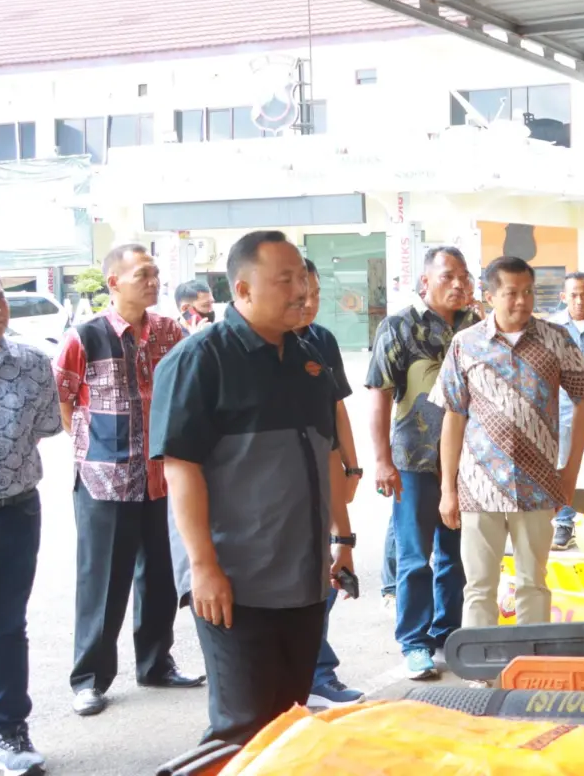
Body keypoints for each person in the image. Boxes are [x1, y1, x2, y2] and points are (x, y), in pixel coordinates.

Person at [149, 231, 356, 747]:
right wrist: (203, 567)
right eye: (284, 280)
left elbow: (326, 453)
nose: (301, 290)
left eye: (303, 278)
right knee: (241, 726)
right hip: (235, 583)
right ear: (241, 290)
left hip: (304, 578)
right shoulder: (200, 360)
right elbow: (181, 469)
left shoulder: (310, 358)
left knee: (287, 719)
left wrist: (342, 541)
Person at [53, 243, 203, 719]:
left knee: (159, 578)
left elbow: (185, 389)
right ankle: (89, 679)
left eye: (156, 274)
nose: (153, 281)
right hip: (105, 480)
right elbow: (64, 402)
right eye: (142, 274)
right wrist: (92, 449)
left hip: (161, 475)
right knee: (103, 583)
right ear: (114, 281)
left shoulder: (169, 331)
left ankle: (156, 663)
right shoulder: (85, 336)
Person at [434, 257, 584, 628]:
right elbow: (453, 417)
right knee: (478, 587)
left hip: (537, 486)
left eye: (528, 292)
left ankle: (530, 670)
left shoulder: (556, 339)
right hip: (478, 487)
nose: (521, 301)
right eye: (511, 293)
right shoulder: (465, 344)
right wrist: (447, 488)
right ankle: (481, 675)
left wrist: (569, 474)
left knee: (533, 585)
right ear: (490, 296)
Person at [367, 246, 479, 679]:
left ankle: (446, 635)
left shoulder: (478, 327)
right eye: (448, 276)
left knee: (456, 555)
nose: (458, 284)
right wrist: (381, 460)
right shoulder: (398, 327)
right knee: (416, 556)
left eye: (464, 276)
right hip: (414, 460)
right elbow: (377, 394)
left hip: (470, 463)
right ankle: (413, 642)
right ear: (424, 283)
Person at [0, 271, 62, 776]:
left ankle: (7, 729)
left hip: (14, 512)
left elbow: (45, 428)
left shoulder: (33, 363)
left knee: (5, 627)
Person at [295, 260, 365, 709]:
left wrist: (353, 469)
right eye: (303, 292)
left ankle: (317, 671)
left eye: (317, 293)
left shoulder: (321, 339)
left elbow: (337, 409)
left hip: (326, 472)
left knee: (328, 578)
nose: (311, 302)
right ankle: (308, 672)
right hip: (282, 489)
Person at [550, 271, 584, 551]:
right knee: (561, 469)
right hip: (563, 413)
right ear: (563, 297)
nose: (579, 299)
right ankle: (564, 525)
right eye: (573, 294)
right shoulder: (552, 329)